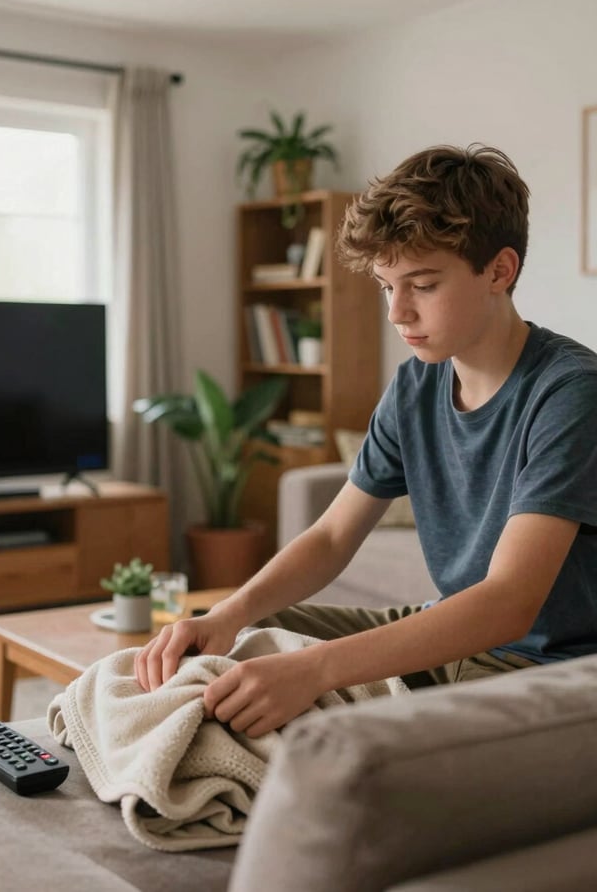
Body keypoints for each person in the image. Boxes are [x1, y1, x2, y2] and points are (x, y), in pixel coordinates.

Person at [135, 143, 597, 738]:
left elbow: (509, 601)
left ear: (499, 271)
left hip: (543, 667)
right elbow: (331, 536)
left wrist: (315, 671)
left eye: (423, 285)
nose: (397, 313)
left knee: (281, 696)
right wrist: (226, 612)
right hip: (452, 639)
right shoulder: (416, 384)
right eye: (386, 286)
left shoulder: (569, 393)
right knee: (238, 639)